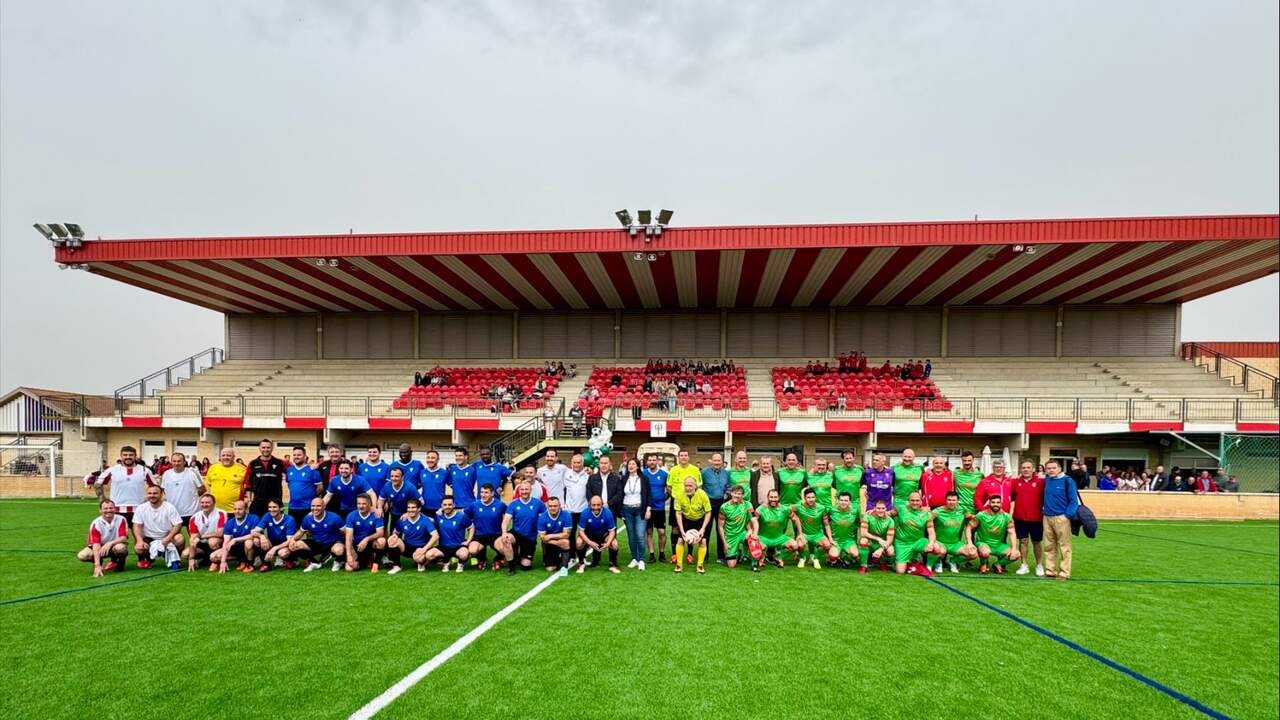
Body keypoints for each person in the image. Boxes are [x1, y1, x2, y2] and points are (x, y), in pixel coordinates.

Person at [131, 484, 185, 570]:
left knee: (180, 539)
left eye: (155, 493)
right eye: (150, 493)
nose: (152, 495)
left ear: (161, 494)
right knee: (138, 548)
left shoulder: (169, 507)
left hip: (166, 537)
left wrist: (168, 538)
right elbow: (136, 525)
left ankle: (175, 559)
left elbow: (178, 524)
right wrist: (139, 540)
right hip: (149, 538)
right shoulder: (141, 508)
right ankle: (148, 559)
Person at [1041, 460, 1078, 581]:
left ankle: (1064, 571)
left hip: (1061, 517)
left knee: (1064, 545)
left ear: (1060, 468)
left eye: (1053, 468)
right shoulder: (1046, 481)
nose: (1051, 470)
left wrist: (1067, 515)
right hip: (1047, 516)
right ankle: (1050, 569)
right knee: (1049, 545)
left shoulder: (1068, 481)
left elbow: (1073, 500)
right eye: (1049, 468)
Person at [99, 445, 156, 523]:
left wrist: (148, 499)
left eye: (131, 455)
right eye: (125, 455)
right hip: (117, 509)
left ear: (135, 456)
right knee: (118, 535)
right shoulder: (112, 470)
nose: (128, 457)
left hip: (139, 509)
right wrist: (102, 499)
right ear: (121, 456)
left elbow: (155, 487)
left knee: (140, 535)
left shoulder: (144, 470)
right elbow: (97, 484)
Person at [501, 481, 546, 575]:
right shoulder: (513, 504)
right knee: (506, 539)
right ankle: (511, 566)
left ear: (530, 490)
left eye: (526, 489)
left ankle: (518, 557)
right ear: (519, 490)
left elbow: (545, 519)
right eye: (522, 489)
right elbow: (505, 521)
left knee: (526, 566)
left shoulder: (539, 504)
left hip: (530, 537)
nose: (524, 491)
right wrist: (504, 533)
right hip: (516, 533)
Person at [293, 497, 346, 572]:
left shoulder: (335, 517)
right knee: (295, 545)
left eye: (318, 506)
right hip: (318, 543)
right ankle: (314, 562)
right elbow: (300, 532)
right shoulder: (307, 518)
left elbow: (347, 533)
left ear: (324, 506)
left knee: (339, 550)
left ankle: (339, 561)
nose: (315, 508)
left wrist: (348, 547)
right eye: (313, 506)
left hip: (333, 542)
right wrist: (291, 540)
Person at [1011, 460, 1045, 576]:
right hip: (1020, 517)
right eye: (1023, 467)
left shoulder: (1041, 482)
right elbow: (1011, 497)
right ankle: (1024, 565)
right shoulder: (1015, 482)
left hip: (1036, 518)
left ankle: (1039, 565)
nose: (1026, 469)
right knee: (1023, 541)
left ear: (1033, 469)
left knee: (1037, 542)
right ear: (1021, 469)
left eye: (1028, 467)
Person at [893, 491, 940, 575]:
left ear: (921, 501)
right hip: (902, 543)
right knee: (900, 571)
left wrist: (931, 544)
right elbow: (887, 514)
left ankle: (928, 566)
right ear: (908, 501)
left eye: (917, 500)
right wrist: (872, 512)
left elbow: (931, 532)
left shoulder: (926, 514)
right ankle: (909, 560)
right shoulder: (900, 508)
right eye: (912, 500)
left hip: (918, 541)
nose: (915, 502)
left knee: (937, 548)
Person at [971, 494, 1021, 574]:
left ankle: (997, 564)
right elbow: (969, 528)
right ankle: (983, 564)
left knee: (1016, 554)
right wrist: (971, 543)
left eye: (998, 502)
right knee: (984, 552)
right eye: (993, 502)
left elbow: (1012, 533)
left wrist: (1014, 548)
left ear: (1001, 504)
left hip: (998, 545)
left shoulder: (1007, 517)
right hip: (983, 544)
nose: (995, 504)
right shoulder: (981, 515)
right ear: (989, 503)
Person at [929, 491, 976, 574]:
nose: (951, 502)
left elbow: (974, 518)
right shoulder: (937, 511)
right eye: (949, 500)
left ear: (958, 501)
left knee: (973, 553)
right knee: (940, 551)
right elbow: (926, 520)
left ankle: (952, 561)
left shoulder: (962, 510)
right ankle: (938, 562)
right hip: (940, 543)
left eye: (954, 500)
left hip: (955, 544)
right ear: (945, 500)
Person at [78, 499, 129, 575]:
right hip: (100, 548)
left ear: (115, 509)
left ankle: (121, 563)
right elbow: (96, 545)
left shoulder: (121, 519)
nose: (108, 510)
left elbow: (123, 537)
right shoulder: (96, 523)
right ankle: (100, 563)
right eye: (105, 508)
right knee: (82, 555)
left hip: (115, 546)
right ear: (100, 510)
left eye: (111, 508)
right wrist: (97, 565)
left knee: (121, 548)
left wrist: (109, 543)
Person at [666, 449, 702, 557]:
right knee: (675, 528)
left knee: (690, 528)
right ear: (678, 457)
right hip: (676, 502)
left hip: (691, 502)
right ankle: (674, 554)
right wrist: (678, 497)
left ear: (688, 457)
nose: (683, 457)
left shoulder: (695, 470)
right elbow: (668, 486)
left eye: (685, 455)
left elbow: (699, 486)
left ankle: (690, 554)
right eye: (681, 455)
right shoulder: (673, 470)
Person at [673, 477, 712, 575]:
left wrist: (702, 529)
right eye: (686, 485)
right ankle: (679, 565)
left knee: (703, 541)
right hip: (686, 519)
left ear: (696, 486)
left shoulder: (702, 495)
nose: (688, 488)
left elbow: (708, 512)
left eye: (690, 486)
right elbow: (678, 513)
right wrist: (682, 531)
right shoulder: (679, 495)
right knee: (680, 540)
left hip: (700, 519)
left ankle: (700, 565)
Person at [386, 498, 436, 575]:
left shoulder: (425, 520)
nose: (410, 510)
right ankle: (397, 566)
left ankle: (422, 562)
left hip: (421, 547)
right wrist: (394, 536)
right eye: (408, 507)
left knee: (419, 559)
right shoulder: (403, 519)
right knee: (392, 540)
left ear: (419, 509)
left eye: (413, 507)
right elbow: (395, 533)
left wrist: (424, 549)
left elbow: (435, 536)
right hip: (408, 547)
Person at [618, 457, 651, 570]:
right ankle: (634, 558)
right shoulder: (623, 478)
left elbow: (649, 495)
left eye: (633, 464)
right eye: (629, 464)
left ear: (638, 466)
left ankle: (641, 559)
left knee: (640, 536)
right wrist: (621, 511)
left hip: (640, 510)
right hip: (627, 510)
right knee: (631, 536)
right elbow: (620, 495)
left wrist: (648, 509)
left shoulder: (644, 478)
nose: (631, 466)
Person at [425, 496, 472, 572]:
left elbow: (471, 527)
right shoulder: (438, 516)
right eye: (445, 505)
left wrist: (468, 541)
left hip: (458, 546)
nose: (447, 507)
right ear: (441, 506)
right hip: (443, 547)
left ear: (454, 505)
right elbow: (427, 520)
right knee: (429, 555)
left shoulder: (461, 516)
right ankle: (445, 562)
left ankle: (460, 564)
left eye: (450, 504)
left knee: (464, 554)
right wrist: (408, 514)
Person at [466, 484, 507, 570]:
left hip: (495, 535)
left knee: (504, 549)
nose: (483, 495)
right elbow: (464, 517)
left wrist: (505, 531)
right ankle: (481, 559)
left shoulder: (500, 505)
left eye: (486, 492)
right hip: (479, 535)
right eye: (481, 492)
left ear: (492, 493)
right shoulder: (474, 505)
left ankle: (498, 559)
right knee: (473, 550)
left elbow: (509, 514)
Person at [700, 452, 732, 563]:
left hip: (721, 503)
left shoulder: (726, 473)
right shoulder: (704, 472)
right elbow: (700, 488)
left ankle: (721, 556)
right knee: (706, 530)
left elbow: (729, 486)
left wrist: (727, 496)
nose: (717, 463)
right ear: (711, 461)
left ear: (722, 462)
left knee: (720, 529)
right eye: (715, 460)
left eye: (719, 460)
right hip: (708, 504)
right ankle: (704, 555)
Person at [585, 454, 623, 545]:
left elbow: (619, 494)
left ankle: (612, 559)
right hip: (595, 511)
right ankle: (596, 558)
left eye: (606, 463)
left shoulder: (616, 479)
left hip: (611, 510)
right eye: (601, 463)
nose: (604, 465)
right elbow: (588, 493)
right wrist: (596, 505)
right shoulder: (592, 478)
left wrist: (609, 504)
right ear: (599, 464)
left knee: (612, 536)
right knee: (595, 535)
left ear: (610, 465)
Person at [252, 499, 298, 572]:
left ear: (281, 508)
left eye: (274, 507)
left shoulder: (289, 519)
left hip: (285, 544)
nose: (271, 509)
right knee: (256, 540)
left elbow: (289, 541)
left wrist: (274, 548)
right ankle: (266, 563)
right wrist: (262, 536)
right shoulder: (267, 515)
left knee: (282, 553)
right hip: (273, 541)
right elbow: (253, 532)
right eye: (270, 507)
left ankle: (291, 560)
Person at [343, 494, 386, 573]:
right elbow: (348, 537)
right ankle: (366, 561)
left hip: (370, 543)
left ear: (369, 504)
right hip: (357, 545)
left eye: (364, 504)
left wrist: (366, 539)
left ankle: (375, 563)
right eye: (359, 503)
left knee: (381, 541)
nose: (361, 506)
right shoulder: (351, 515)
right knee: (349, 568)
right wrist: (349, 555)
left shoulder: (376, 515)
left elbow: (380, 533)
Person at [577, 495, 620, 573]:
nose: (596, 507)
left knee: (615, 544)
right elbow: (581, 531)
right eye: (593, 505)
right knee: (579, 542)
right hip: (589, 535)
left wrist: (608, 543)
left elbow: (612, 531)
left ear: (602, 504)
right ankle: (581, 563)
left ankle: (613, 563)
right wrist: (589, 542)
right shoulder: (585, 513)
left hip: (603, 535)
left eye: (598, 505)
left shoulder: (607, 512)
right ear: (590, 505)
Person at [160, 452, 205, 525]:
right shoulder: (166, 474)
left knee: (194, 536)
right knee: (175, 536)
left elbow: (203, 489)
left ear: (184, 462)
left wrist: (192, 495)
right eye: (174, 461)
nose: (176, 463)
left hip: (191, 512)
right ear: (171, 462)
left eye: (179, 461)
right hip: (173, 512)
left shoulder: (192, 473)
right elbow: (162, 490)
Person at [214, 500, 259, 573]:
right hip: (238, 548)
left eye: (240, 509)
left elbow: (254, 534)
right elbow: (226, 542)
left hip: (251, 546)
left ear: (246, 509)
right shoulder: (230, 522)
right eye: (235, 509)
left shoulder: (254, 518)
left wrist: (235, 539)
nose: (237, 511)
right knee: (214, 557)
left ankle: (250, 563)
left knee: (249, 542)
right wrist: (223, 561)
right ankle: (241, 561)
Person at [791, 487, 831, 569]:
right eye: (808, 497)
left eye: (812, 497)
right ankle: (802, 558)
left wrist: (830, 538)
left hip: (817, 534)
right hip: (804, 534)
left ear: (815, 497)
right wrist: (795, 517)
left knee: (827, 545)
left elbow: (826, 524)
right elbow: (785, 509)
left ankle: (815, 559)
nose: (811, 499)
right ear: (804, 498)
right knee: (799, 544)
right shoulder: (798, 506)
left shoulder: (822, 508)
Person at [244, 439, 286, 517]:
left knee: (276, 527)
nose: (266, 449)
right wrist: (249, 500)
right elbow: (248, 483)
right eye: (263, 447)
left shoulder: (280, 463)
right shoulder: (253, 463)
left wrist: (310, 467)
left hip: (275, 503)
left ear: (272, 448)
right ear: (259, 448)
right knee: (256, 527)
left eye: (268, 447)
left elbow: (294, 471)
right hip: (258, 502)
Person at [184, 493, 226, 572]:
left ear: (213, 503)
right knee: (185, 554)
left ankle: (216, 561)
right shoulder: (195, 517)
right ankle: (206, 558)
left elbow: (220, 533)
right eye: (202, 503)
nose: (204, 505)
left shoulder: (221, 513)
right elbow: (193, 537)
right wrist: (191, 558)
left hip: (218, 542)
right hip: (202, 544)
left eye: (207, 502)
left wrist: (202, 536)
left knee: (213, 541)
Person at [719, 484, 756, 571]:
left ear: (742, 495)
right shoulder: (724, 507)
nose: (737, 495)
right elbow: (720, 526)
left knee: (752, 539)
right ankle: (737, 553)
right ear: (731, 493)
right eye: (735, 493)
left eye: (739, 494)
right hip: (730, 536)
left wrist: (750, 530)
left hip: (742, 533)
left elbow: (752, 520)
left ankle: (753, 563)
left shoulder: (747, 505)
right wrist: (724, 543)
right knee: (731, 565)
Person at [754, 488, 794, 569]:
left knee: (794, 545)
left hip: (779, 537)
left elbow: (795, 519)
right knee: (761, 547)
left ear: (779, 498)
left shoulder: (785, 509)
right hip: (763, 538)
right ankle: (762, 557)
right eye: (771, 497)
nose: (773, 499)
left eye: (775, 497)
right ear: (767, 497)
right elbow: (753, 521)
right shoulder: (760, 509)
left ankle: (778, 557)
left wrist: (800, 533)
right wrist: (753, 533)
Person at [641, 454, 669, 563]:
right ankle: (651, 554)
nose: (652, 462)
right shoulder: (643, 474)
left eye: (654, 460)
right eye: (650, 460)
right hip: (647, 508)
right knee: (649, 532)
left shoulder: (664, 474)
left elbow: (669, 489)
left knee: (661, 532)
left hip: (659, 508)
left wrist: (663, 498)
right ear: (647, 462)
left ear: (657, 461)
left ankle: (662, 553)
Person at [284, 446, 322, 527]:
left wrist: (310, 496)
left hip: (308, 507)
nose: (296, 457)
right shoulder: (289, 470)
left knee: (310, 532)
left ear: (305, 456)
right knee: (293, 532)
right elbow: (289, 485)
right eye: (294, 455)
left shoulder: (312, 470)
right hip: (293, 507)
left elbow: (320, 487)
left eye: (299, 455)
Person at [824, 491, 861, 570]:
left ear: (850, 501)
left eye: (846, 500)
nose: (843, 502)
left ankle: (845, 558)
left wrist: (859, 540)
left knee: (855, 554)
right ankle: (834, 559)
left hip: (849, 541)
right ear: (837, 500)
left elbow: (859, 524)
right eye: (841, 500)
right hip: (836, 540)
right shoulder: (831, 510)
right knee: (833, 556)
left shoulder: (855, 511)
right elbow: (826, 524)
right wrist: (830, 539)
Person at [378, 467, 421, 534]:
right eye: (392, 476)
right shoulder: (387, 486)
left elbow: (421, 502)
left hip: (408, 513)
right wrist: (380, 508)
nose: (393, 478)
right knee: (393, 534)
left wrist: (409, 513)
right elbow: (381, 499)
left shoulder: (409, 487)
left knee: (409, 535)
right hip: (394, 512)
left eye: (397, 476)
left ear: (402, 477)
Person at [205, 448, 248, 514]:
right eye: (223, 455)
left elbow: (247, 488)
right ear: (220, 457)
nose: (226, 457)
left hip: (235, 510)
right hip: (215, 510)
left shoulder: (242, 469)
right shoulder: (213, 468)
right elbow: (208, 485)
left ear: (234, 457)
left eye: (229, 455)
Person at [858, 500, 896, 574]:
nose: (881, 510)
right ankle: (863, 566)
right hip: (871, 541)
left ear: (886, 509)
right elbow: (863, 533)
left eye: (883, 508)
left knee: (890, 551)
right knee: (863, 541)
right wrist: (878, 539)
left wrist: (881, 549)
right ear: (874, 508)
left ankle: (882, 562)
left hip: (883, 543)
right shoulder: (867, 516)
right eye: (878, 508)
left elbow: (890, 540)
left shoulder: (890, 521)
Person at [536, 497, 573, 572]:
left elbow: (566, 535)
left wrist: (550, 536)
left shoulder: (566, 515)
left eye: (555, 506)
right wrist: (556, 543)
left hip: (560, 540)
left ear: (559, 505)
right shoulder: (542, 517)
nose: (553, 508)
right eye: (550, 506)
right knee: (550, 569)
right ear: (547, 506)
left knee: (565, 542)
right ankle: (556, 559)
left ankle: (564, 568)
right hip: (549, 543)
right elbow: (543, 537)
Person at [891, 449, 923, 515]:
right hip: (899, 501)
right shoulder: (895, 468)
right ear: (902, 456)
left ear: (914, 457)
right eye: (905, 456)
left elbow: (923, 485)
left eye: (909, 457)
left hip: (914, 501)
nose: (907, 459)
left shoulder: (919, 468)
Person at [417, 449, 447, 517]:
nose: (430, 460)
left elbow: (454, 486)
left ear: (438, 459)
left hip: (439, 508)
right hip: (424, 507)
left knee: (438, 527)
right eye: (428, 457)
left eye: (433, 458)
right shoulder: (422, 472)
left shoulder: (444, 473)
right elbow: (415, 487)